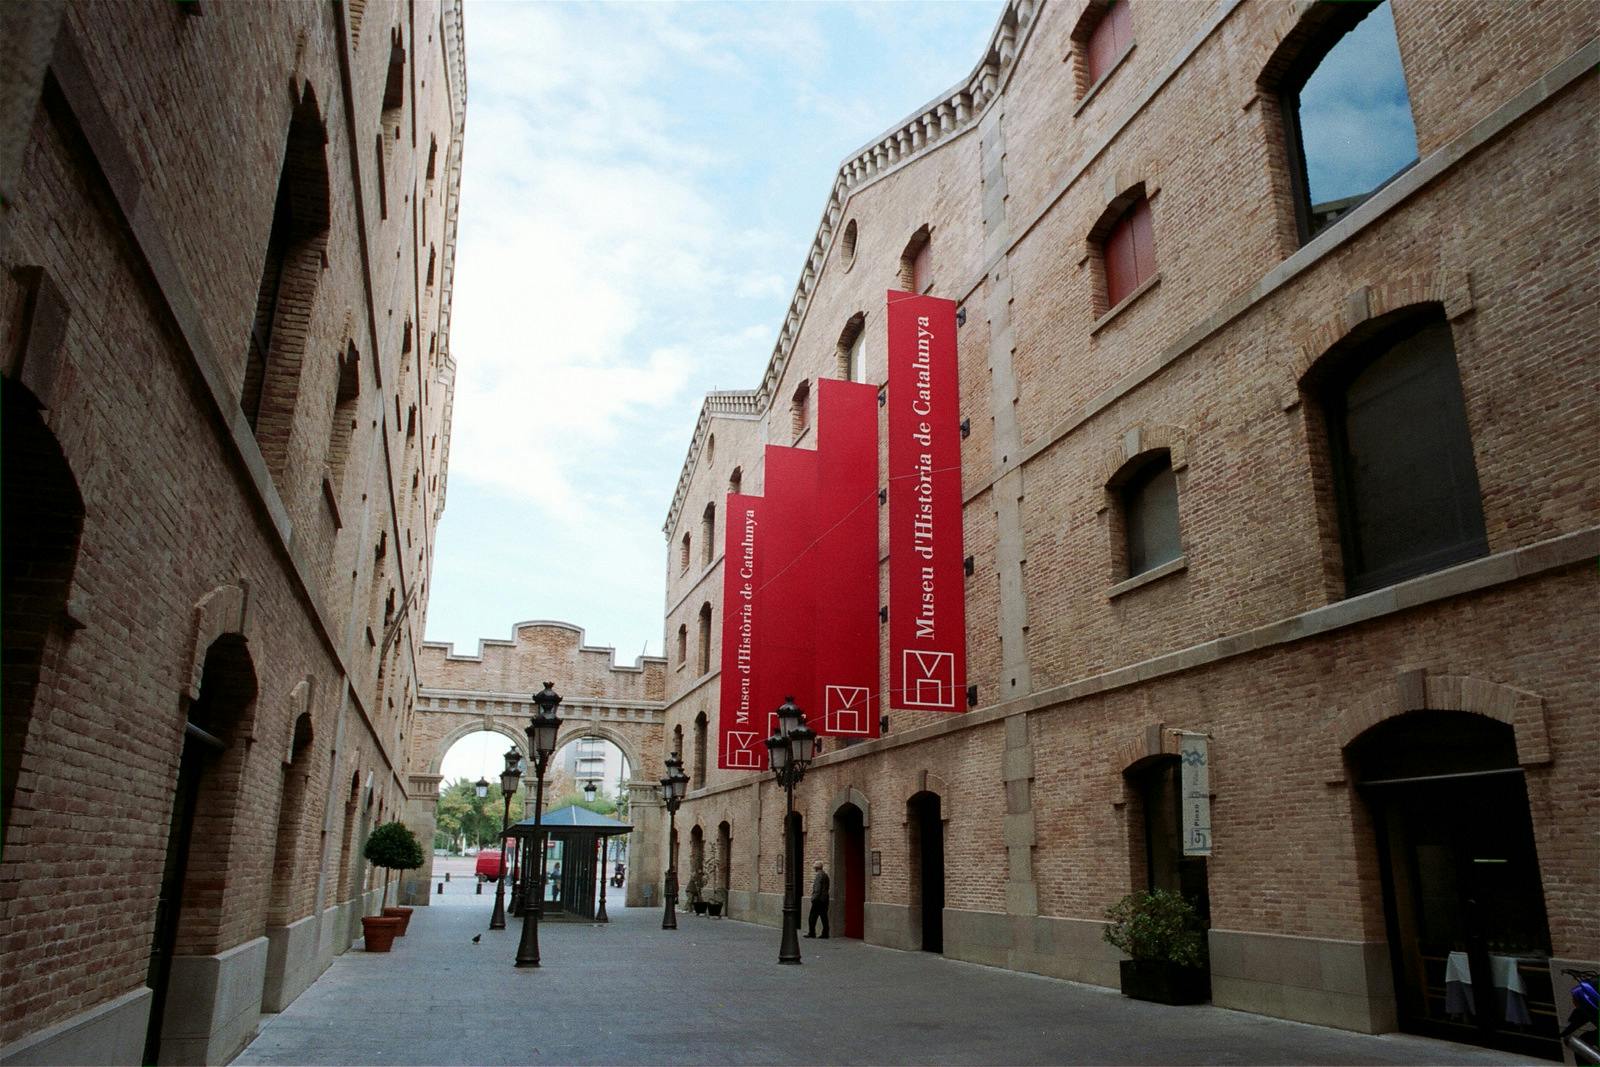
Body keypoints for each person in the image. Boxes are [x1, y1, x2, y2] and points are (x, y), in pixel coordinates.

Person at [805, 860, 830, 939]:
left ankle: (812, 932)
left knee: (812, 917)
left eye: (814, 866)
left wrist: (813, 898)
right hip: (825, 899)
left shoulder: (819, 875)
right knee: (824, 917)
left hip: (818, 900)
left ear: (816, 867)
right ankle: (825, 933)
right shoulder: (825, 875)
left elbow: (817, 889)